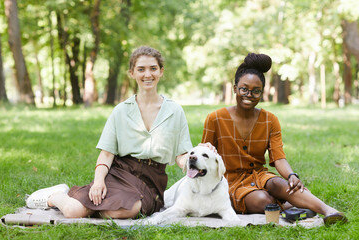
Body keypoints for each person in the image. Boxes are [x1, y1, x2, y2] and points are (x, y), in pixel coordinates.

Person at [26, 46, 193, 219]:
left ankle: (91, 207)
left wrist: (198, 158)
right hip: (121, 172)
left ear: (161, 72)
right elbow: (106, 154)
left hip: (152, 180)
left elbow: (182, 155)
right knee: (72, 211)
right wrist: (98, 182)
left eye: (153, 68)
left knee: (128, 209)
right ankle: (55, 196)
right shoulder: (120, 111)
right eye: (141, 69)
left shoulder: (174, 111)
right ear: (132, 73)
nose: (147, 74)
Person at [201, 53, 347, 225]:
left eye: (256, 91)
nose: (249, 95)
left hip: (258, 175)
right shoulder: (215, 118)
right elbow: (205, 155)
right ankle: (289, 205)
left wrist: (292, 175)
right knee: (264, 201)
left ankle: (328, 211)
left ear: (262, 93)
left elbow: (278, 158)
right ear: (235, 89)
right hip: (229, 182)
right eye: (244, 89)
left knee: (279, 183)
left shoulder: (270, 120)